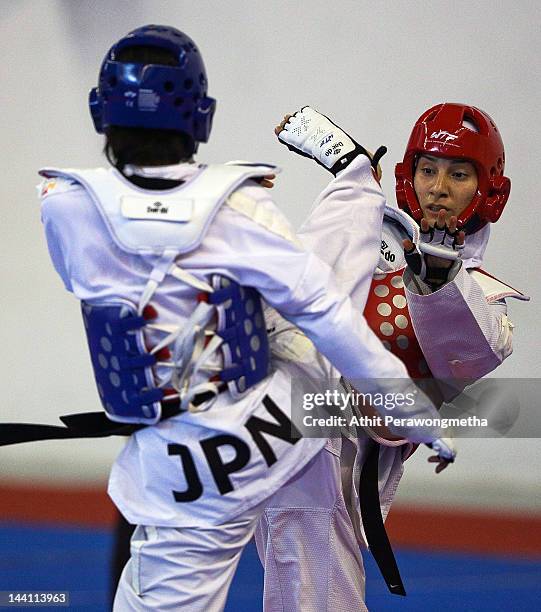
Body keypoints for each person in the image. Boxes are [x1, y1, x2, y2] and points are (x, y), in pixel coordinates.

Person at [32, 26, 455, 611]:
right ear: (201, 118)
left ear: (100, 113)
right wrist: (412, 410)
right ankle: (355, 184)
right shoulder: (238, 206)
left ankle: (350, 191)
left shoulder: (63, 207)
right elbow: (329, 313)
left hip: (181, 466)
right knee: (313, 303)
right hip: (270, 425)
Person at [254, 105, 528, 610]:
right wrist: (357, 192)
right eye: (428, 170)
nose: (438, 188)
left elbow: (460, 358)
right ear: (408, 176)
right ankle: (351, 172)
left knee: (309, 591)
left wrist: (438, 276)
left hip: (341, 445)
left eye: (458, 174)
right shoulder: (371, 236)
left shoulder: (484, 301)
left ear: (488, 190)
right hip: (286, 420)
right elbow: (313, 279)